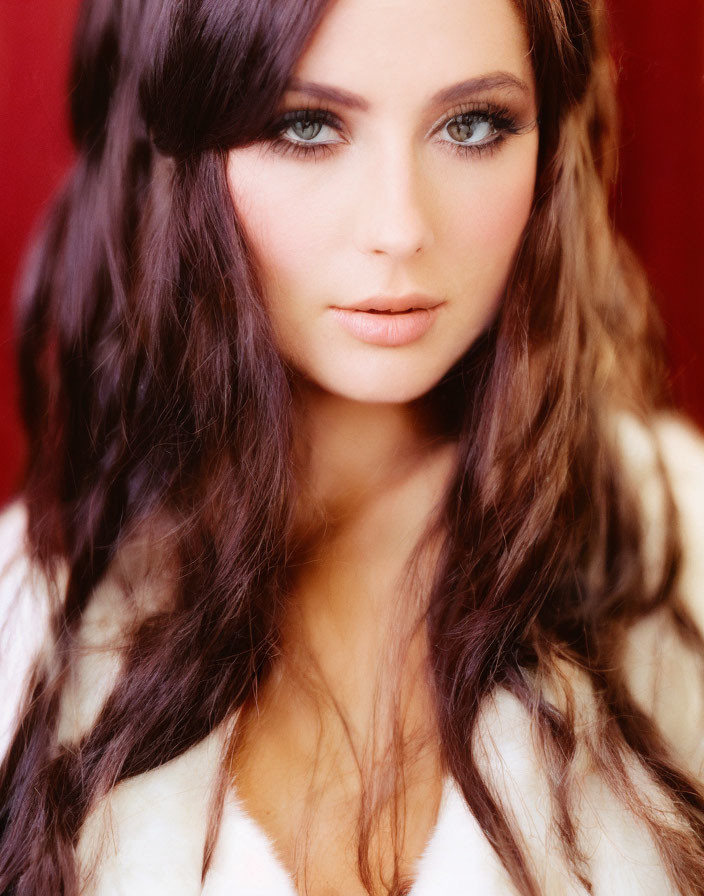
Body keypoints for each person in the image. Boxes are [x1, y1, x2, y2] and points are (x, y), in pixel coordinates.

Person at [1, 0, 704, 893]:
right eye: (306, 125)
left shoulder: (674, 546)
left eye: (473, 124)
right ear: (176, 140)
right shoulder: (26, 624)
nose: (400, 228)